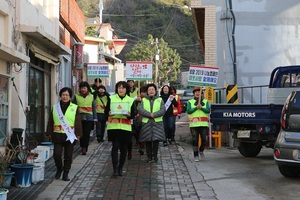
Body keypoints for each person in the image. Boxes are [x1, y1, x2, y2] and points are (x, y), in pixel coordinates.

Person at [45, 87, 82, 181]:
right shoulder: (55, 107)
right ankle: (59, 168)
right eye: (63, 95)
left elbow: (77, 121)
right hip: (57, 135)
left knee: (68, 156)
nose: (65, 97)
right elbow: (51, 120)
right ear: (60, 96)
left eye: (67, 95)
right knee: (56, 154)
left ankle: (66, 173)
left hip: (70, 135)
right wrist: (49, 132)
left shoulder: (74, 107)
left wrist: (78, 134)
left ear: (70, 96)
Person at [105, 81, 135, 176]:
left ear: (126, 89)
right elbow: (106, 112)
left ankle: (120, 167)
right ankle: (115, 169)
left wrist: (129, 115)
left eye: (123, 88)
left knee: (124, 149)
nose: (121, 90)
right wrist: (109, 113)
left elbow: (133, 114)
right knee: (115, 147)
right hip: (114, 127)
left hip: (125, 128)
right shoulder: (111, 98)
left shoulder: (130, 100)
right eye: (119, 88)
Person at [139, 83, 166, 163]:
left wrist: (154, 115)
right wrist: (149, 114)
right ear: (147, 91)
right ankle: (149, 157)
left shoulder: (160, 99)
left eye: (153, 89)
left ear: (155, 91)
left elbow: (163, 110)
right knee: (147, 141)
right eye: (149, 90)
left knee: (156, 141)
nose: (151, 91)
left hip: (157, 123)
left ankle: (155, 156)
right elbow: (140, 109)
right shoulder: (143, 100)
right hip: (146, 123)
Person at [186, 86, 210, 162]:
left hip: (203, 124)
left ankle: (201, 150)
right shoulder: (190, 102)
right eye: (196, 92)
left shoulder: (206, 102)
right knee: (194, 140)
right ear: (193, 93)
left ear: (201, 93)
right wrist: (196, 108)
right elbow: (188, 111)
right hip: (194, 124)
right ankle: (195, 155)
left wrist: (202, 108)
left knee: (204, 139)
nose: (197, 93)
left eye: (199, 92)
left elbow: (208, 111)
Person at [73, 81, 97, 155]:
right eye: (81, 88)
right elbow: (73, 107)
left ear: (87, 88)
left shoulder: (91, 96)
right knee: (81, 133)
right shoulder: (76, 96)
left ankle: (84, 148)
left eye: (84, 88)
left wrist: (95, 118)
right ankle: (82, 145)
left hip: (89, 118)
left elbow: (93, 108)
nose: (83, 89)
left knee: (86, 134)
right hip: (79, 118)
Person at [128, 85, 147, 159]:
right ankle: (131, 150)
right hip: (134, 118)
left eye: (145, 92)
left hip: (142, 118)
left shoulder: (147, 100)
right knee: (133, 133)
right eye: (142, 92)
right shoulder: (134, 99)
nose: (143, 93)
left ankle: (141, 145)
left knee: (141, 133)